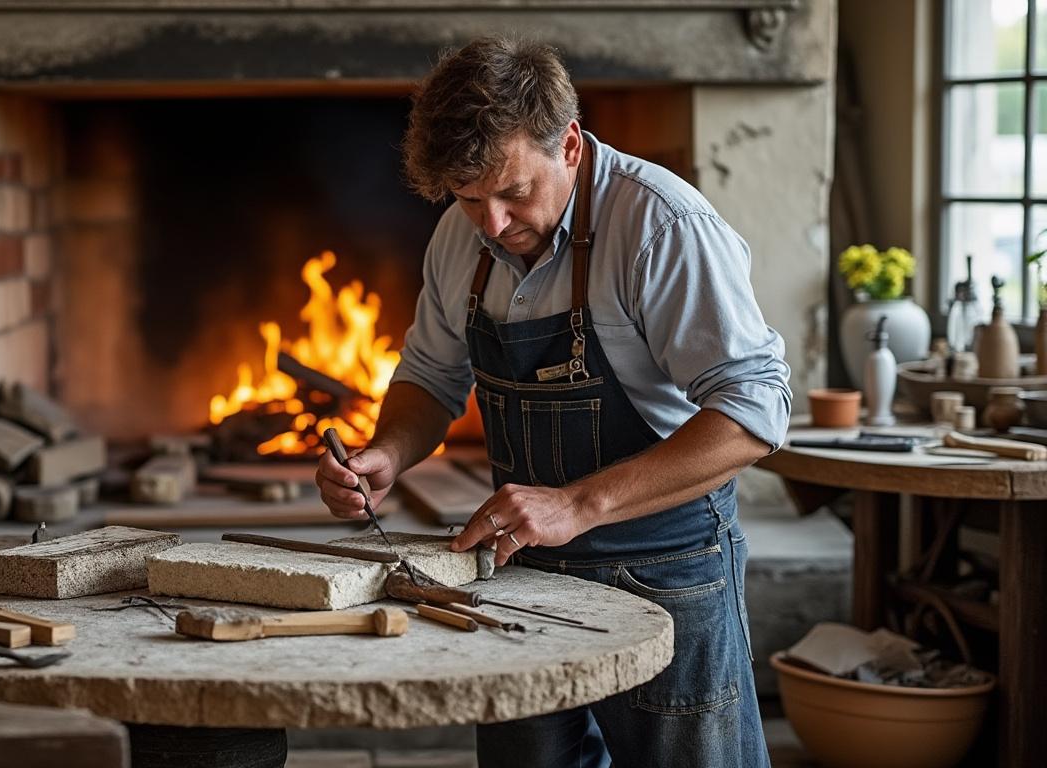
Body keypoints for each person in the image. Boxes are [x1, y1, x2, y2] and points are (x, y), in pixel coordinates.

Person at [316, 35, 786, 767]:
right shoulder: (458, 238)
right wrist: (390, 452)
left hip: (664, 568)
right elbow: (431, 379)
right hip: (523, 575)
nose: (493, 224)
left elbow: (755, 415)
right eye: (471, 199)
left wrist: (578, 504)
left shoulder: (662, 226)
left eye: (513, 193)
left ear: (569, 145)